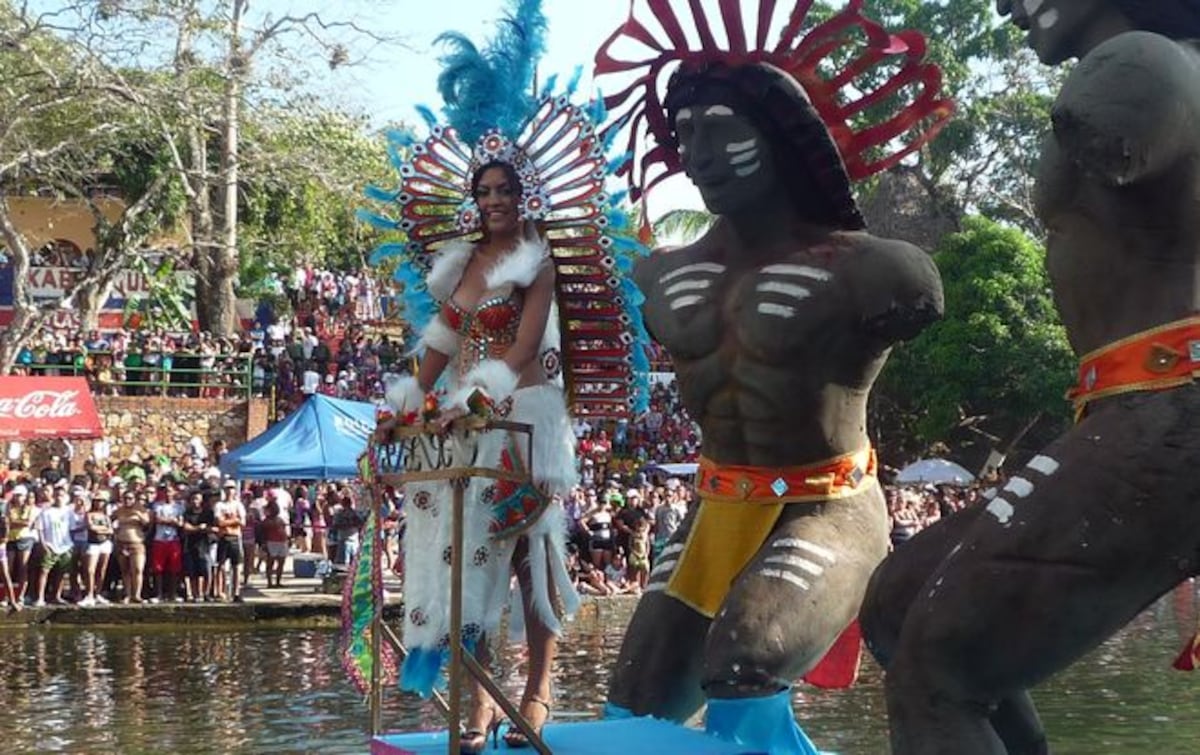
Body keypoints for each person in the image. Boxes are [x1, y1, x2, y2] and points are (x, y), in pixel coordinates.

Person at [593, 3, 949, 751]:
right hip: (713, 507)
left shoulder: (878, 272)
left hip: (829, 505)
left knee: (746, 656)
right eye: (686, 133)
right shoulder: (661, 276)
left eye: (723, 130)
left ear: (782, 138)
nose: (700, 153)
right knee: (634, 699)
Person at [859, 3, 1200, 753]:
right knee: (897, 603)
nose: (1009, 7)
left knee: (939, 667)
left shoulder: (1142, 63)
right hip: (1137, 409)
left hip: (1169, 410)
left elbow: (1126, 127)